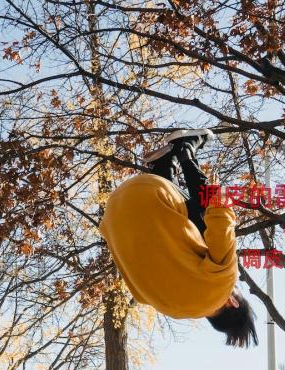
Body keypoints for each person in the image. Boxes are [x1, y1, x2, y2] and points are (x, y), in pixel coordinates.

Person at [99, 128, 258, 348]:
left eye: (237, 290)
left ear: (232, 302)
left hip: (153, 192)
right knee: (187, 242)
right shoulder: (168, 308)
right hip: (113, 209)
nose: (236, 284)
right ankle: (164, 164)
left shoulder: (222, 285)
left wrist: (220, 195)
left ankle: (186, 150)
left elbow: (221, 223)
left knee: (210, 221)